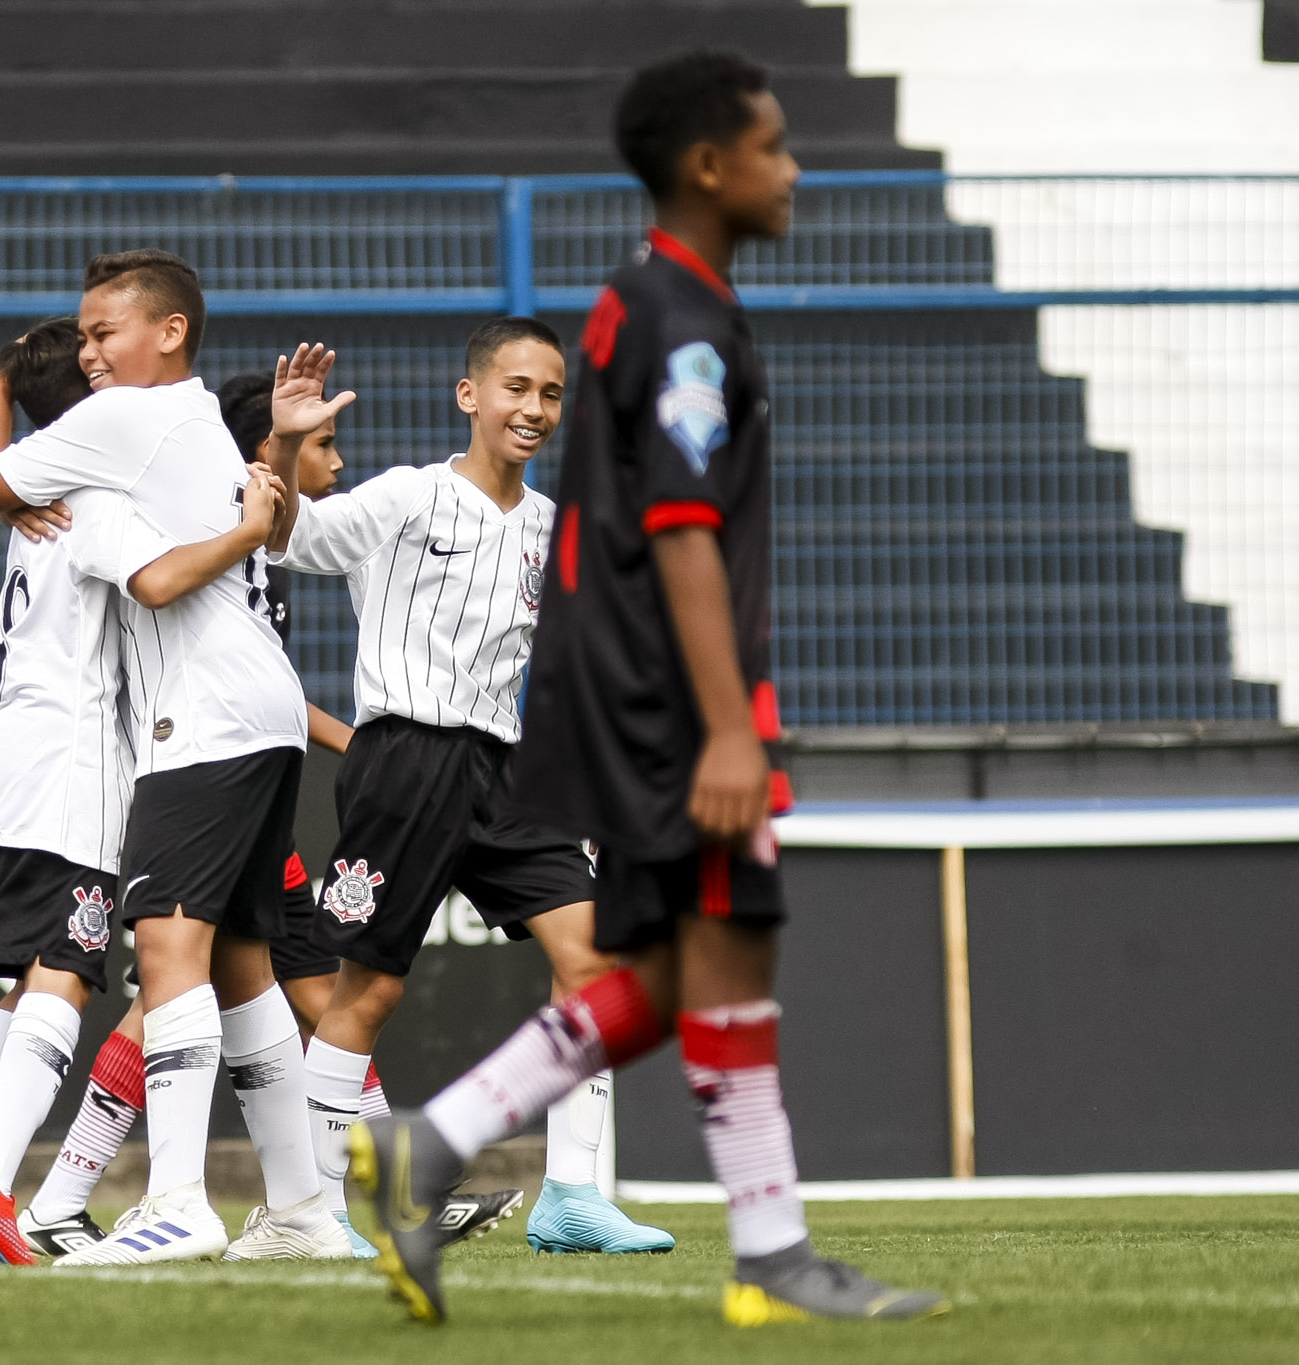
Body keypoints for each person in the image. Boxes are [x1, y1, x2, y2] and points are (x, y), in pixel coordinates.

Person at [346, 52, 951, 1326]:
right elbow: (679, 524)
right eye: (774, 146)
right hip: (671, 707)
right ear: (706, 166)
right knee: (720, 952)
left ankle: (436, 1146)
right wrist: (727, 725)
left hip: (621, 699)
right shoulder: (680, 316)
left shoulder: (642, 304)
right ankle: (771, 1256)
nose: (793, 169)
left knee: (681, 971)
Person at [16, 372, 524, 1260]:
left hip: (240, 767)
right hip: (196, 758)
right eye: (318, 444)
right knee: (212, 981)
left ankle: (321, 1199)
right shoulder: (219, 530)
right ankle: (77, 1191)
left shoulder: (252, 543)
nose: (336, 457)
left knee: (270, 986)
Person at [0, 250, 346, 1264]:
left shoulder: (117, 426)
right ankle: (303, 1207)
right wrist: (283, 457)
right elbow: (264, 536)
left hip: (201, 716)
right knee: (244, 967)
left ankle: (175, 1196)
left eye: (102, 332)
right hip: (264, 706)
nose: (87, 351)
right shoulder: (201, 428)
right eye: (81, 341)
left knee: (169, 950)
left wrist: (9, 430)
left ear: (168, 334)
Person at [263, 320, 670, 1261]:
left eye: (550, 394)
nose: (533, 409)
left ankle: (569, 1196)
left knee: (596, 962)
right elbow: (289, 536)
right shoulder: (409, 496)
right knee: (366, 992)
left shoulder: (546, 526)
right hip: (405, 758)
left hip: (507, 769)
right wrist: (284, 444)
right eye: (516, 388)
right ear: (470, 396)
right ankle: (310, 1214)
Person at [0, 316, 276, 1266]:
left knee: (25, 982)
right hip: (67, 756)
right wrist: (250, 524)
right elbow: (154, 579)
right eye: (98, 359)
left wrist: (3, 376)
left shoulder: (43, 491)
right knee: (67, 967)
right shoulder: (98, 489)